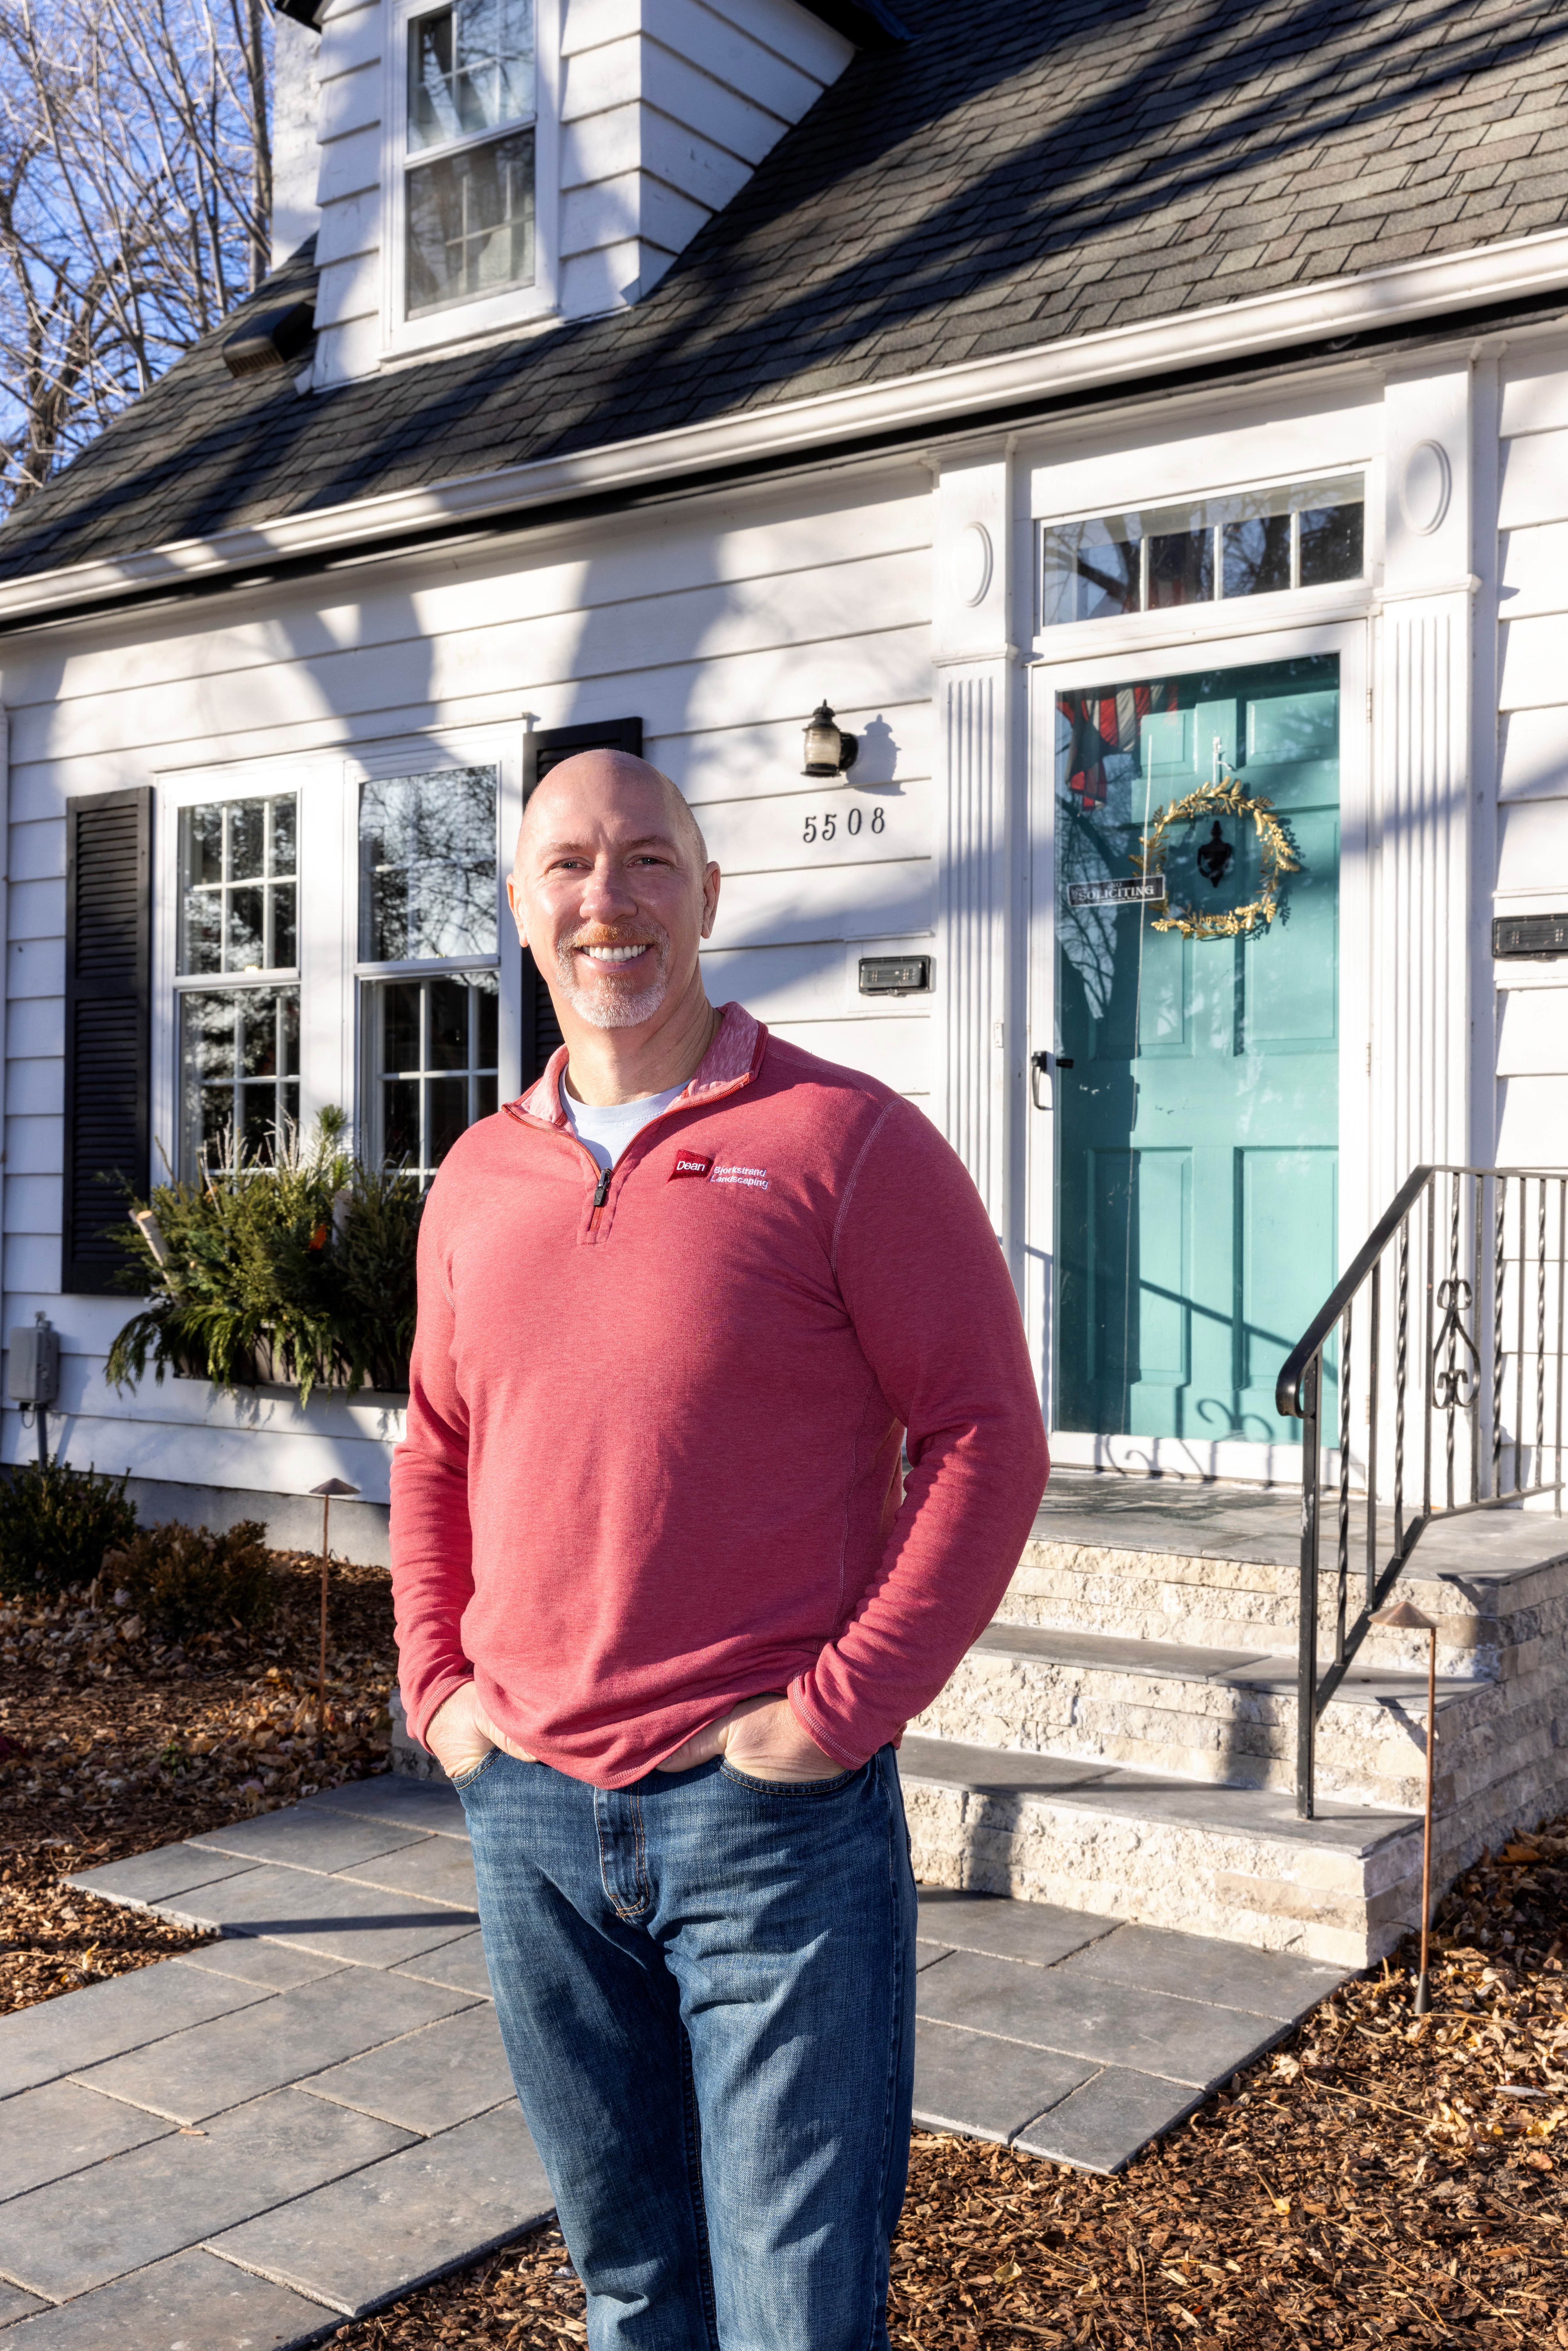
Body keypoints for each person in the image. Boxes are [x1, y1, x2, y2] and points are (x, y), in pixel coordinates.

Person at [390, 748, 1049, 2351]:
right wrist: (438, 1694)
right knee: (631, 2293)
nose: (605, 902)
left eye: (645, 862)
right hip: (530, 1816)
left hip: (766, 1833)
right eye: (565, 867)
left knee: (792, 2317)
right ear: (520, 907)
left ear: (705, 893)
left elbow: (986, 1436)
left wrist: (833, 1714)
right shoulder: (478, 1175)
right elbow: (433, 1446)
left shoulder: (844, 1141)